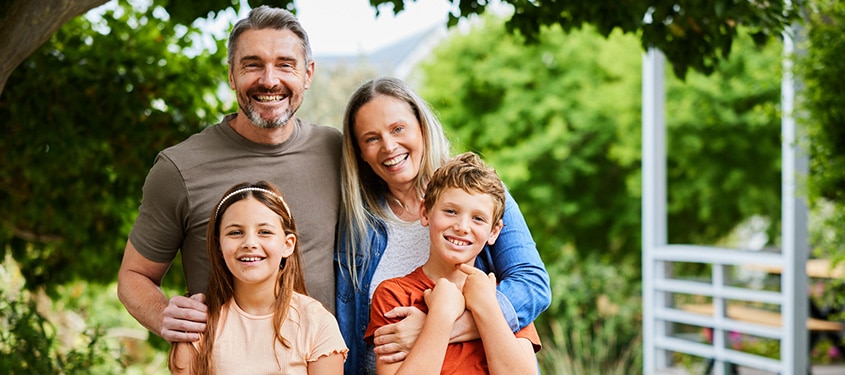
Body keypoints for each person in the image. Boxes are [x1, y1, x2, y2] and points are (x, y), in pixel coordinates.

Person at [117, 6, 341, 344]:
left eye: (285, 64)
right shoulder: (180, 168)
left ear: (307, 74)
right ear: (232, 75)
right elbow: (133, 276)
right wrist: (165, 315)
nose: (269, 80)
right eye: (252, 64)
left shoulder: (337, 151)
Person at [335, 77, 551, 374]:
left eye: (398, 129)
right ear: (359, 151)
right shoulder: (358, 223)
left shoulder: (478, 193)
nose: (389, 145)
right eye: (371, 138)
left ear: (421, 127)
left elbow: (531, 283)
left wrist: (443, 322)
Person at [366, 152, 541, 374]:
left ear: (494, 231)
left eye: (478, 218)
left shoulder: (499, 299)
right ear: (425, 212)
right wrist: (441, 314)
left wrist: (487, 306)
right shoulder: (394, 295)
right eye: (450, 211)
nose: (462, 226)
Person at [169, 181, 348, 374]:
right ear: (219, 246)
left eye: (264, 232)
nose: (250, 243)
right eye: (235, 232)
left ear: (288, 245)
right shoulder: (198, 324)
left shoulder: (316, 323)